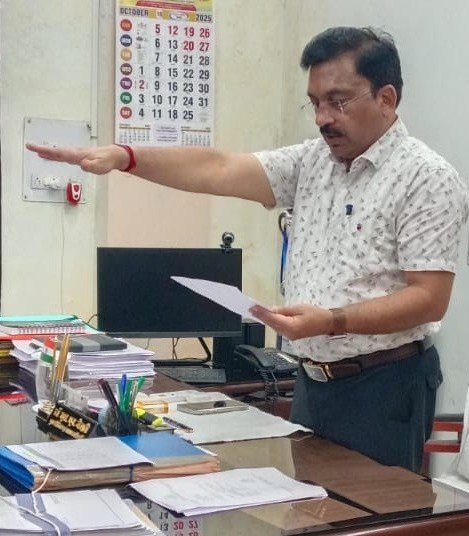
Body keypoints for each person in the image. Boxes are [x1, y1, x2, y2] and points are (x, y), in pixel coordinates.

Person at [27, 26, 468, 472]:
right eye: (315, 103)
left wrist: (331, 321)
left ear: (386, 98)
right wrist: (127, 158)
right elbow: (218, 168)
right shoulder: (314, 162)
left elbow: (429, 298)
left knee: (375, 508)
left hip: (384, 386)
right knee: (309, 505)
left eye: (338, 101)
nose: (322, 118)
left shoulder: (426, 178)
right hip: (312, 382)